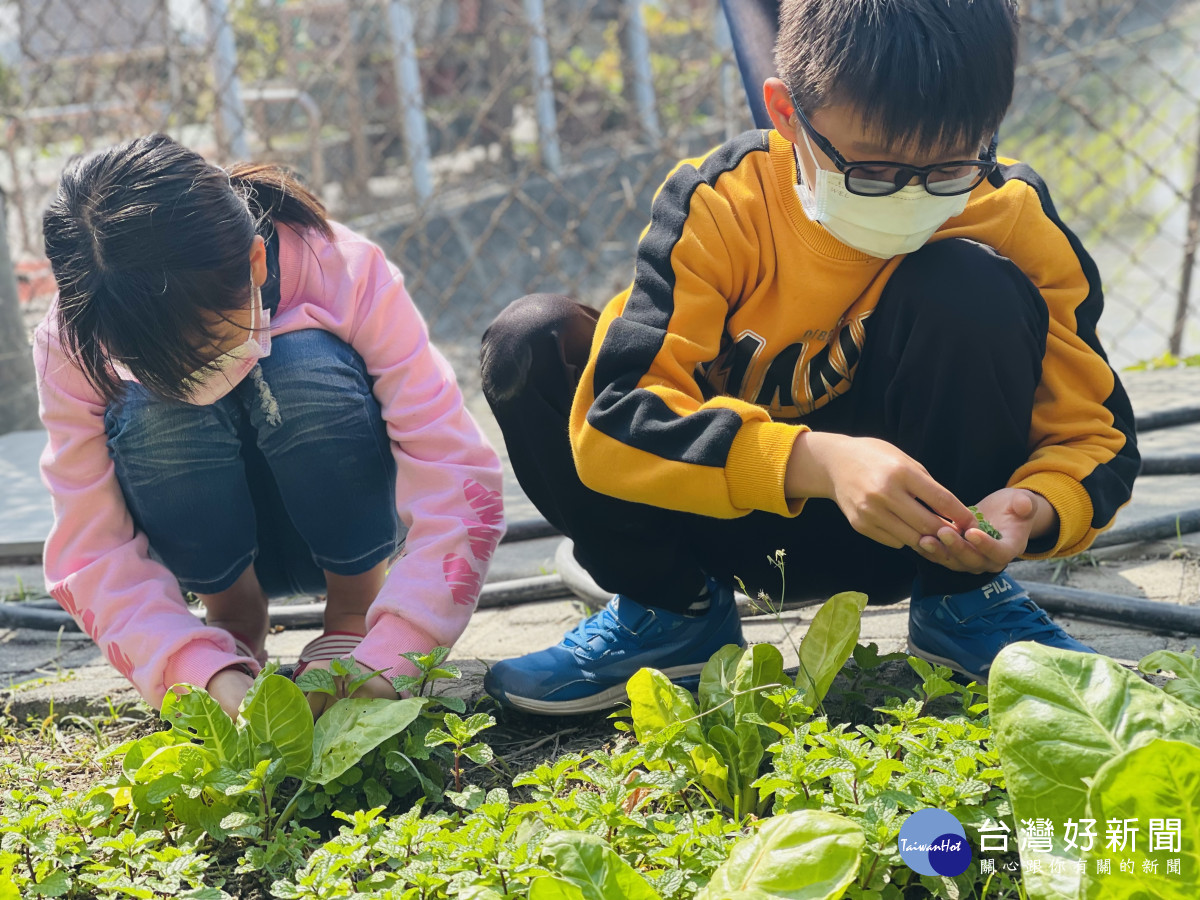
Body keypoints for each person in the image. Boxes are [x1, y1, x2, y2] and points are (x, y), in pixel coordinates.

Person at [479, 0, 1139, 715]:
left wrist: (1036, 507)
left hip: (926, 531)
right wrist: (815, 462)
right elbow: (614, 420)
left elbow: (1096, 438)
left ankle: (963, 606)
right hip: (724, 526)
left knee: (973, 286)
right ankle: (670, 614)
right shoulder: (722, 203)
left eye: (949, 168)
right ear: (787, 114)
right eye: (874, 172)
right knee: (529, 341)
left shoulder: (1010, 213)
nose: (910, 197)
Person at [36, 134, 505, 720]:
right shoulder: (76, 338)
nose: (201, 378)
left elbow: (454, 470)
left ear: (256, 261)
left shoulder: (342, 267)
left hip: (345, 530)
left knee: (303, 362)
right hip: (204, 546)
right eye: (155, 365)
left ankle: (353, 610)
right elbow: (90, 545)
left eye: (209, 345)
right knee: (150, 408)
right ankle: (233, 615)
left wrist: (394, 656)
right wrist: (197, 674)